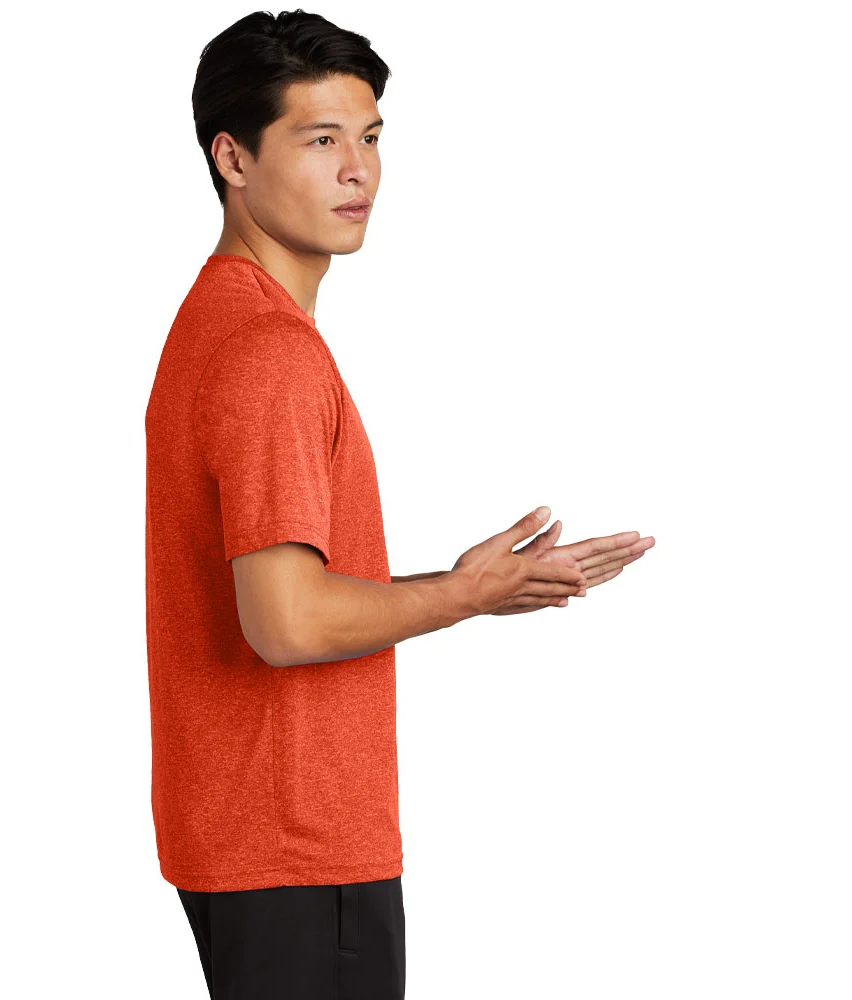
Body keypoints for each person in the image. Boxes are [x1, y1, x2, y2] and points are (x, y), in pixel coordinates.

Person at [144, 10, 655, 999]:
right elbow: (287, 623)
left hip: (251, 836)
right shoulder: (268, 353)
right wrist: (464, 595)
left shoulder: (220, 320)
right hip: (298, 845)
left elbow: (281, 592)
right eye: (319, 140)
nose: (359, 172)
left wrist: (469, 586)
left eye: (371, 137)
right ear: (232, 158)